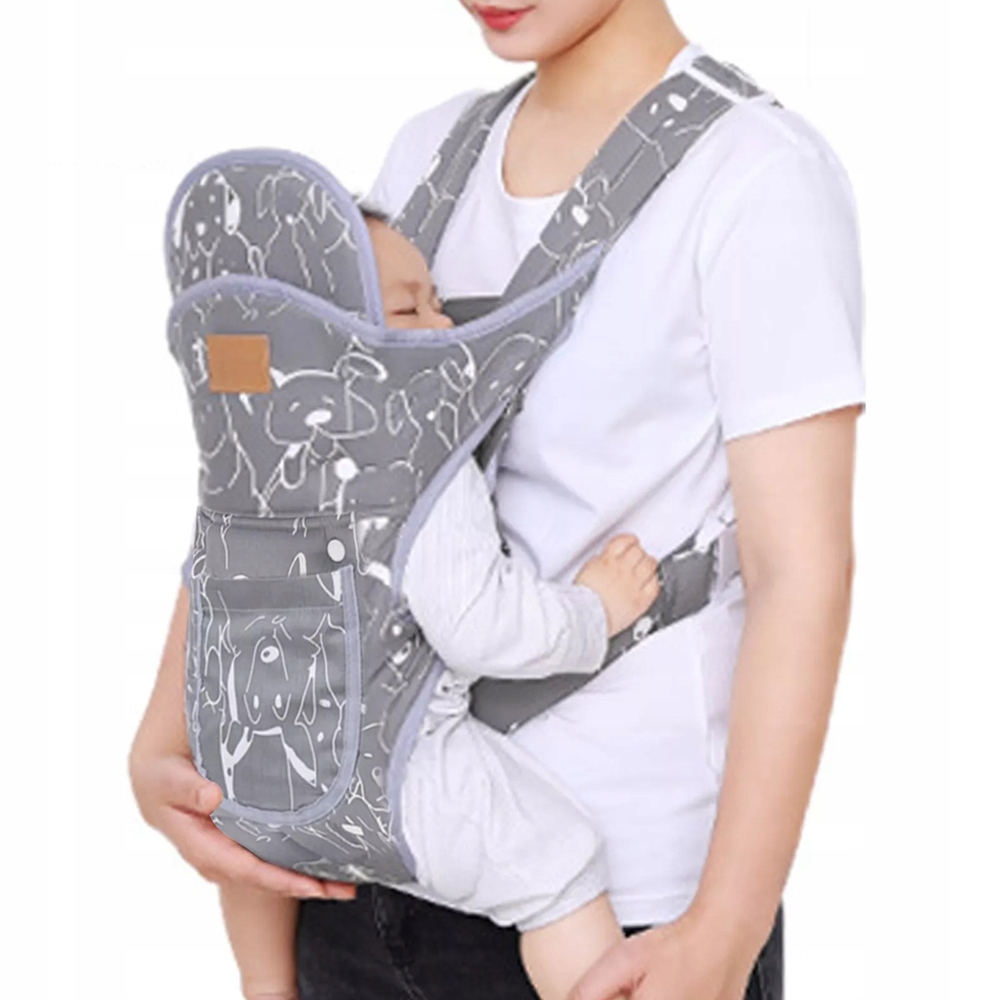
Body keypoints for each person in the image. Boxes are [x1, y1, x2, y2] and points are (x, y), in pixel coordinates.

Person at [129, 2, 865, 998]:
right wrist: (167, 736)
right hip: (359, 866)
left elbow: (800, 575)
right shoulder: (428, 153)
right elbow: (286, 464)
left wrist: (725, 932)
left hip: (621, 909)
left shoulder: (756, 176)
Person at [215, 204, 663, 1000]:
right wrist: (592, 611)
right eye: (409, 308)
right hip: (396, 772)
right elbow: (477, 627)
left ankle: (262, 982)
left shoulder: (255, 463)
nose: (444, 322)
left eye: (436, 301)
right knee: (557, 864)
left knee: (253, 823)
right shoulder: (416, 457)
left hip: (265, 763)